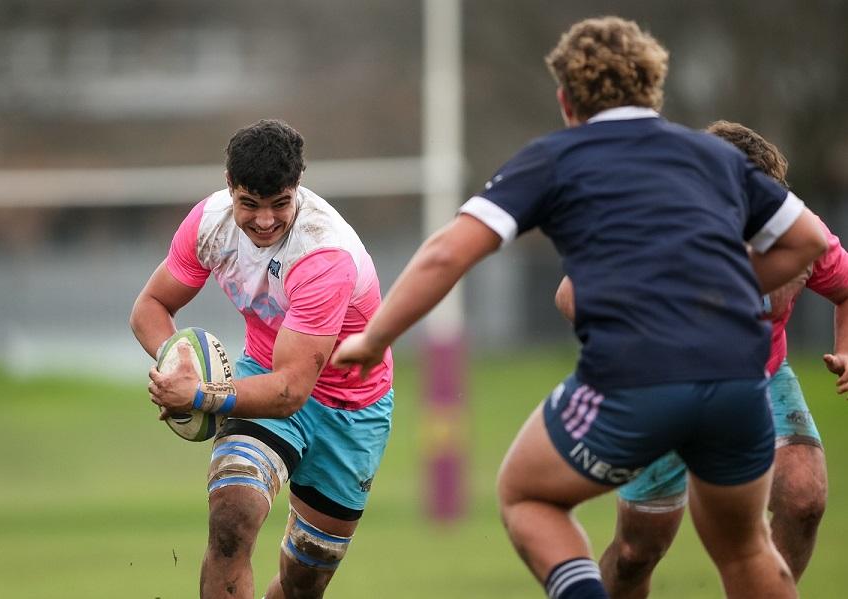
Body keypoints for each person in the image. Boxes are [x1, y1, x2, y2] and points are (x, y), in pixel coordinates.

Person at [331, 16, 827, 599]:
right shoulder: (713, 156)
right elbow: (809, 240)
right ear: (654, 88)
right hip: (737, 379)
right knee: (745, 552)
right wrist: (724, 291)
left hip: (636, 375)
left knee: (526, 495)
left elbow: (447, 254)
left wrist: (374, 338)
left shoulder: (557, 157)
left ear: (567, 100)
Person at [553, 121, 848, 598]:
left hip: (759, 379)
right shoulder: (652, 226)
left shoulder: (800, 237)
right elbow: (571, 296)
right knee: (635, 553)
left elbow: (846, 287)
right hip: (662, 385)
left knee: (804, 497)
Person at [129, 119, 394, 599]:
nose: (265, 220)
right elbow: (150, 308)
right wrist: (178, 362)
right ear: (230, 187)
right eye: (250, 204)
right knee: (232, 518)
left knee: (304, 580)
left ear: (298, 188)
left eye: (280, 204)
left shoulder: (322, 254)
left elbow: (292, 392)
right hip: (262, 375)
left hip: (351, 410)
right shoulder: (210, 224)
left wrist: (200, 394)